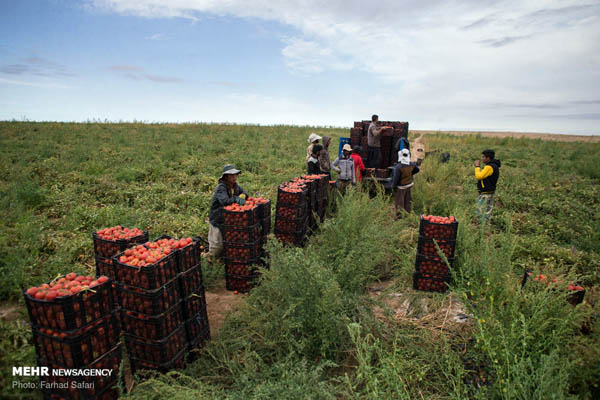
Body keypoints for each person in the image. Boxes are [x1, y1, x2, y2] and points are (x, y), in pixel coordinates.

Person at [205, 164, 249, 259]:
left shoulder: (235, 186)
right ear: (226, 177)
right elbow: (224, 201)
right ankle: (207, 258)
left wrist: (243, 195)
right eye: (231, 175)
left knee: (227, 242)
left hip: (228, 219)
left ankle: (219, 259)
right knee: (216, 246)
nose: (234, 177)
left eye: (235, 175)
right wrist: (236, 198)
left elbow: (245, 193)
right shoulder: (221, 188)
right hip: (218, 218)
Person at [475, 149, 501, 223]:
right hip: (490, 191)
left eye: (483, 157)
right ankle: (485, 225)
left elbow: (479, 176)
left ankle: (482, 225)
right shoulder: (494, 166)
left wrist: (477, 167)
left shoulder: (489, 167)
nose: (482, 159)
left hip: (485, 192)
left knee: (481, 209)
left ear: (488, 158)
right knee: (487, 209)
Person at [391, 149, 420, 216]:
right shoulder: (411, 164)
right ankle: (407, 213)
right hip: (409, 184)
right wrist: (411, 174)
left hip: (401, 186)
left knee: (399, 202)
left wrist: (393, 186)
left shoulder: (399, 167)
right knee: (407, 200)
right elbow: (417, 169)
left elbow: (396, 178)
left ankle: (399, 216)